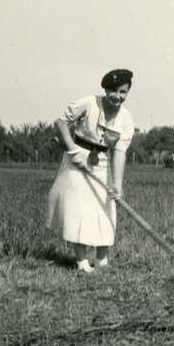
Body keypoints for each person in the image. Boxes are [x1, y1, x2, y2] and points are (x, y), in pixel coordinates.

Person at [46, 69, 135, 272]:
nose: (117, 96)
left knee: (105, 211)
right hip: (76, 161)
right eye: (113, 91)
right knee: (80, 210)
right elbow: (61, 123)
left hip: (102, 163)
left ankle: (102, 260)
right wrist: (73, 151)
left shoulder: (126, 118)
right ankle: (82, 261)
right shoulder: (89, 103)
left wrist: (117, 185)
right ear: (105, 89)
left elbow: (120, 152)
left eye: (122, 92)